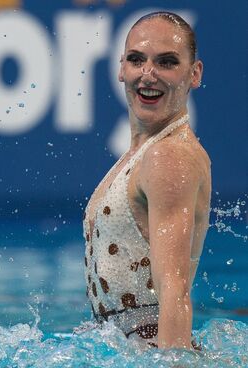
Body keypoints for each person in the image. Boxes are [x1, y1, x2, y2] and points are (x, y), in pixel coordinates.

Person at [83, 11, 210, 349]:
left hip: (156, 353)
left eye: (167, 62)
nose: (148, 75)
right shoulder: (143, 154)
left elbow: (174, 291)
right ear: (121, 68)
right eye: (137, 60)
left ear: (194, 74)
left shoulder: (169, 157)